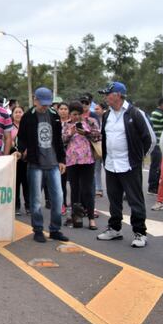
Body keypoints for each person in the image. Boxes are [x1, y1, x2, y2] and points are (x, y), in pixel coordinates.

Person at [96, 82, 154, 248]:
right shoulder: (106, 115)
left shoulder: (135, 113)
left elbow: (150, 139)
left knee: (135, 200)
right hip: (111, 164)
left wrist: (138, 159)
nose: (106, 97)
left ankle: (140, 232)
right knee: (114, 199)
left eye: (108, 94)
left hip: (129, 165)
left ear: (118, 95)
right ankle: (115, 229)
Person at [17, 87, 69, 243]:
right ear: (35, 100)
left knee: (58, 198)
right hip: (35, 164)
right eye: (42, 103)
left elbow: (59, 141)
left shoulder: (54, 116)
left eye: (48, 103)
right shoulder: (27, 117)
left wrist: (62, 160)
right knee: (36, 200)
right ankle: (38, 230)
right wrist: (22, 150)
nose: (45, 106)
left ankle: (55, 229)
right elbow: (21, 138)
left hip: (53, 164)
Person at [62, 101, 101, 229]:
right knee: (74, 189)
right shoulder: (66, 125)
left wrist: (86, 133)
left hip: (88, 161)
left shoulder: (90, 122)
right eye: (73, 114)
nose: (76, 117)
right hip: (72, 161)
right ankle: (76, 217)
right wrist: (70, 133)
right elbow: (61, 141)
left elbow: (98, 136)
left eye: (79, 114)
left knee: (87, 190)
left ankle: (91, 218)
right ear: (70, 114)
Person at [148, 97, 163, 195]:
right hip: (158, 144)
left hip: (157, 144)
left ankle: (162, 185)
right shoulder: (160, 114)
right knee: (156, 166)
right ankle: (153, 187)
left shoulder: (157, 113)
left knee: (158, 166)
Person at [10, 104, 29, 216]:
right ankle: (16, 206)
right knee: (15, 183)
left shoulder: (27, 125)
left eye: (20, 112)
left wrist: (26, 151)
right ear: (12, 115)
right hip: (14, 158)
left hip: (26, 158)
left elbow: (31, 139)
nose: (18, 114)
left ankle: (28, 206)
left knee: (27, 183)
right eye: (16, 112)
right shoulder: (9, 127)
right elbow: (6, 139)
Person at [94, 102, 106, 198]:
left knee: (108, 168)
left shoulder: (109, 119)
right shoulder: (94, 120)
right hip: (97, 147)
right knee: (97, 168)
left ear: (103, 110)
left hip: (107, 148)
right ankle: (98, 188)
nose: (95, 110)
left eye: (97, 109)